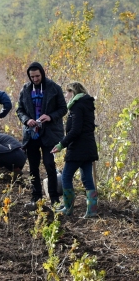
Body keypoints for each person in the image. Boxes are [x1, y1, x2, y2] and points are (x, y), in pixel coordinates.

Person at [16, 62, 67, 210]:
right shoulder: (25, 89)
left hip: (49, 134)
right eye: (32, 77)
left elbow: (63, 108)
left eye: (37, 76)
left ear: (42, 74)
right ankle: (36, 196)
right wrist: (27, 120)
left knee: (50, 164)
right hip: (31, 134)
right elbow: (20, 110)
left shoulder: (54, 88)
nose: (35, 79)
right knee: (33, 167)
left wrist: (50, 117)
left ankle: (54, 198)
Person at [50, 82, 99, 218]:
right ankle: (92, 210)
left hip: (78, 148)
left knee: (66, 176)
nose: (66, 96)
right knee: (87, 178)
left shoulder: (77, 106)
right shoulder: (88, 105)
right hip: (88, 147)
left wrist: (61, 145)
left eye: (67, 92)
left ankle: (68, 208)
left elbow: (75, 131)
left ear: (73, 92)